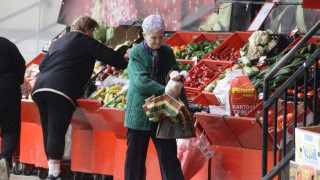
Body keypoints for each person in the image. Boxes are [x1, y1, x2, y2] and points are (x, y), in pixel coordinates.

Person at [31, 15, 128, 180]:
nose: (93, 34)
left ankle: (52, 170)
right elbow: (108, 56)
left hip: (40, 88)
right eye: (92, 31)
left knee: (49, 129)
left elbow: (41, 65)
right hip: (60, 89)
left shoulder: (58, 42)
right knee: (56, 129)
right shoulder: (84, 40)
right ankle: (54, 175)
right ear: (87, 29)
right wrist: (129, 63)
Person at [124, 14, 184, 180]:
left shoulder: (167, 50)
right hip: (139, 112)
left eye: (161, 36)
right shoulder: (136, 53)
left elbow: (172, 66)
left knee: (169, 156)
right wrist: (167, 90)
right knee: (135, 158)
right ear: (144, 36)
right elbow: (140, 82)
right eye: (153, 38)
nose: (158, 41)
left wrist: (173, 73)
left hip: (163, 111)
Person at [0, 37, 26, 180]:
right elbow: (20, 64)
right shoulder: (6, 44)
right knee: (10, 128)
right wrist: (17, 81)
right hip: (8, 89)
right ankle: (4, 159)